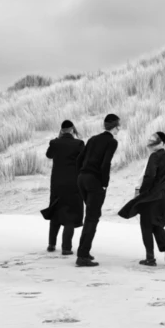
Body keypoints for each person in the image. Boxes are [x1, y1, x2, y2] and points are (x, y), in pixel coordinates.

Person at [117, 131, 165, 266]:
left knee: (146, 225)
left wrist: (143, 193)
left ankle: (150, 258)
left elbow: (149, 176)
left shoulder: (154, 157)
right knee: (156, 223)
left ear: (162, 143)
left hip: (152, 196)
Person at [74, 114, 120, 267]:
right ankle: (82, 256)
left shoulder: (93, 139)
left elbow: (79, 160)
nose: (119, 129)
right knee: (92, 218)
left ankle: (84, 252)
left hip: (82, 179)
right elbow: (105, 163)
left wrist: (81, 174)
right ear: (115, 127)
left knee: (90, 217)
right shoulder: (112, 142)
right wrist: (105, 184)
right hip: (95, 182)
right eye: (118, 126)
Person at [42, 120, 85, 255]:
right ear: (72, 130)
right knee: (70, 215)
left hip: (57, 184)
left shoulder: (55, 143)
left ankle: (51, 244)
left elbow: (49, 155)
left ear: (61, 130)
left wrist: (57, 139)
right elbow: (84, 161)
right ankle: (66, 248)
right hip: (73, 183)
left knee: (56, 210)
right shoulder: (78, 144)